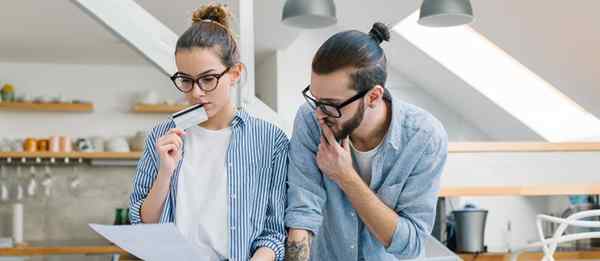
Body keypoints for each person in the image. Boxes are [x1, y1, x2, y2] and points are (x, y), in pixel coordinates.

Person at [128, 4, 288, 261]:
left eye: (208, 79)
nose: (196, 93)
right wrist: (166, 172)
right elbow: (143, 222)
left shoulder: (271, 141)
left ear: (235, 74)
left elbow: (274, 232)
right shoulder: (162, 136)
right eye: (186, 80)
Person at [285, 22, 448, 260]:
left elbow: (410, 244)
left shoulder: (424, 138)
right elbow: (302, 213)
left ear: (373, 96)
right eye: (315, 98)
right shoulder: (311, 121)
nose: (319, 113)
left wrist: (345, 176)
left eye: (330, 104)